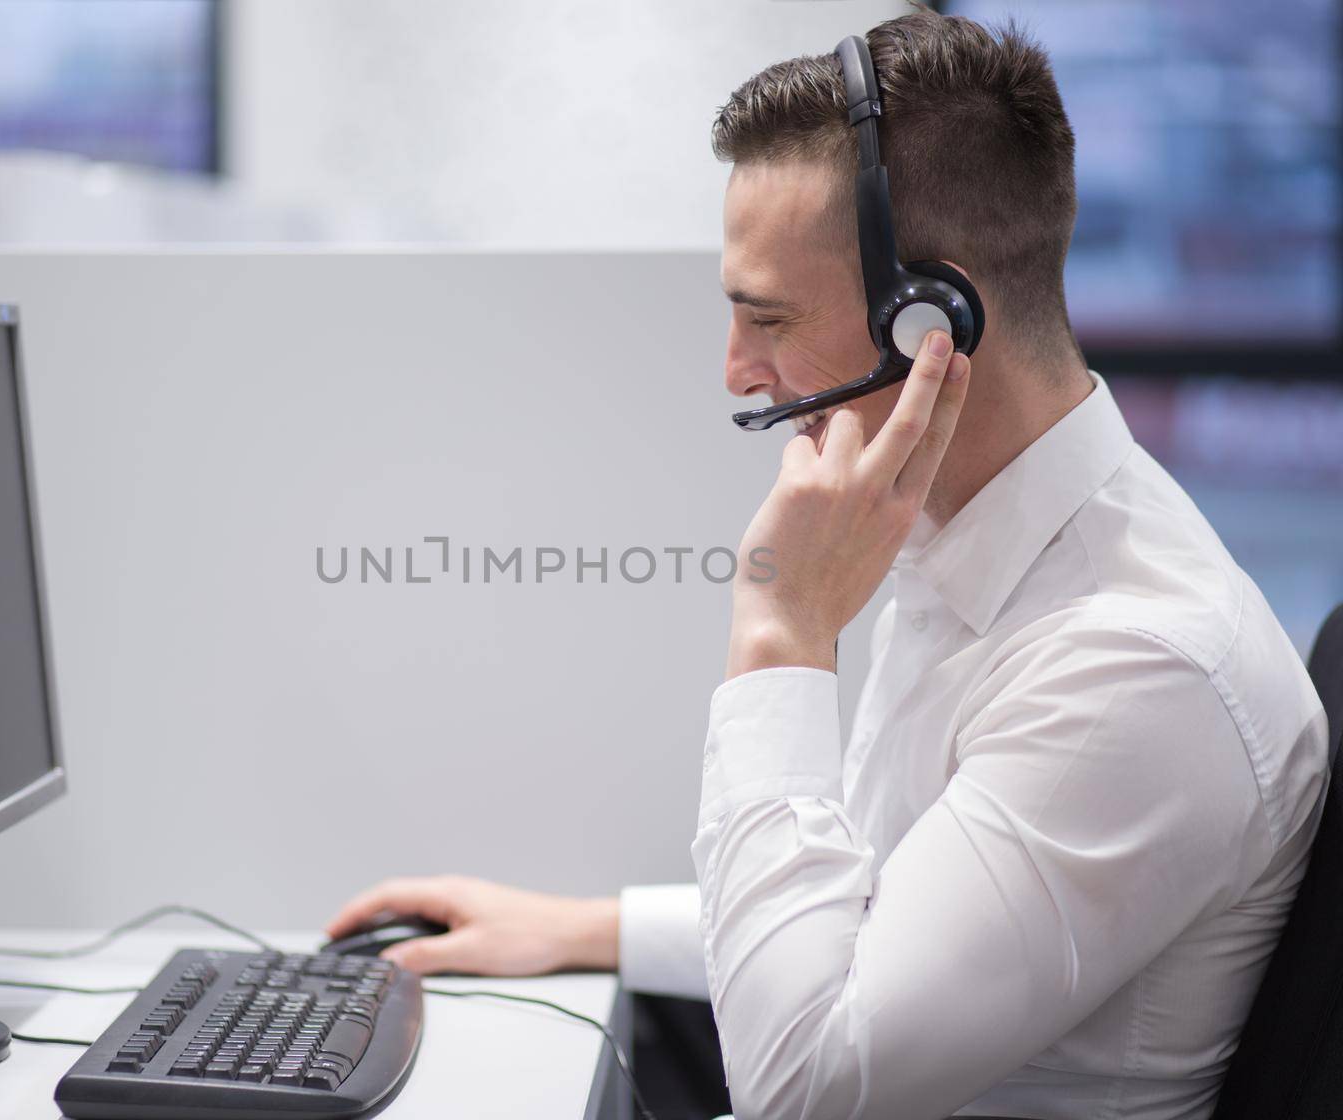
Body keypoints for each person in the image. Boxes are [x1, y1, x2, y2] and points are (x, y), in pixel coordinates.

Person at [326, 10, 1329, 1119]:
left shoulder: (1133, 666)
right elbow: (877, 919)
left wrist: (781, 632)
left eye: (766, 317)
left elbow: (807, 1084)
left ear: (930, 324)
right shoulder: (969, 528)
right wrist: (583, 928)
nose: (737, 371)